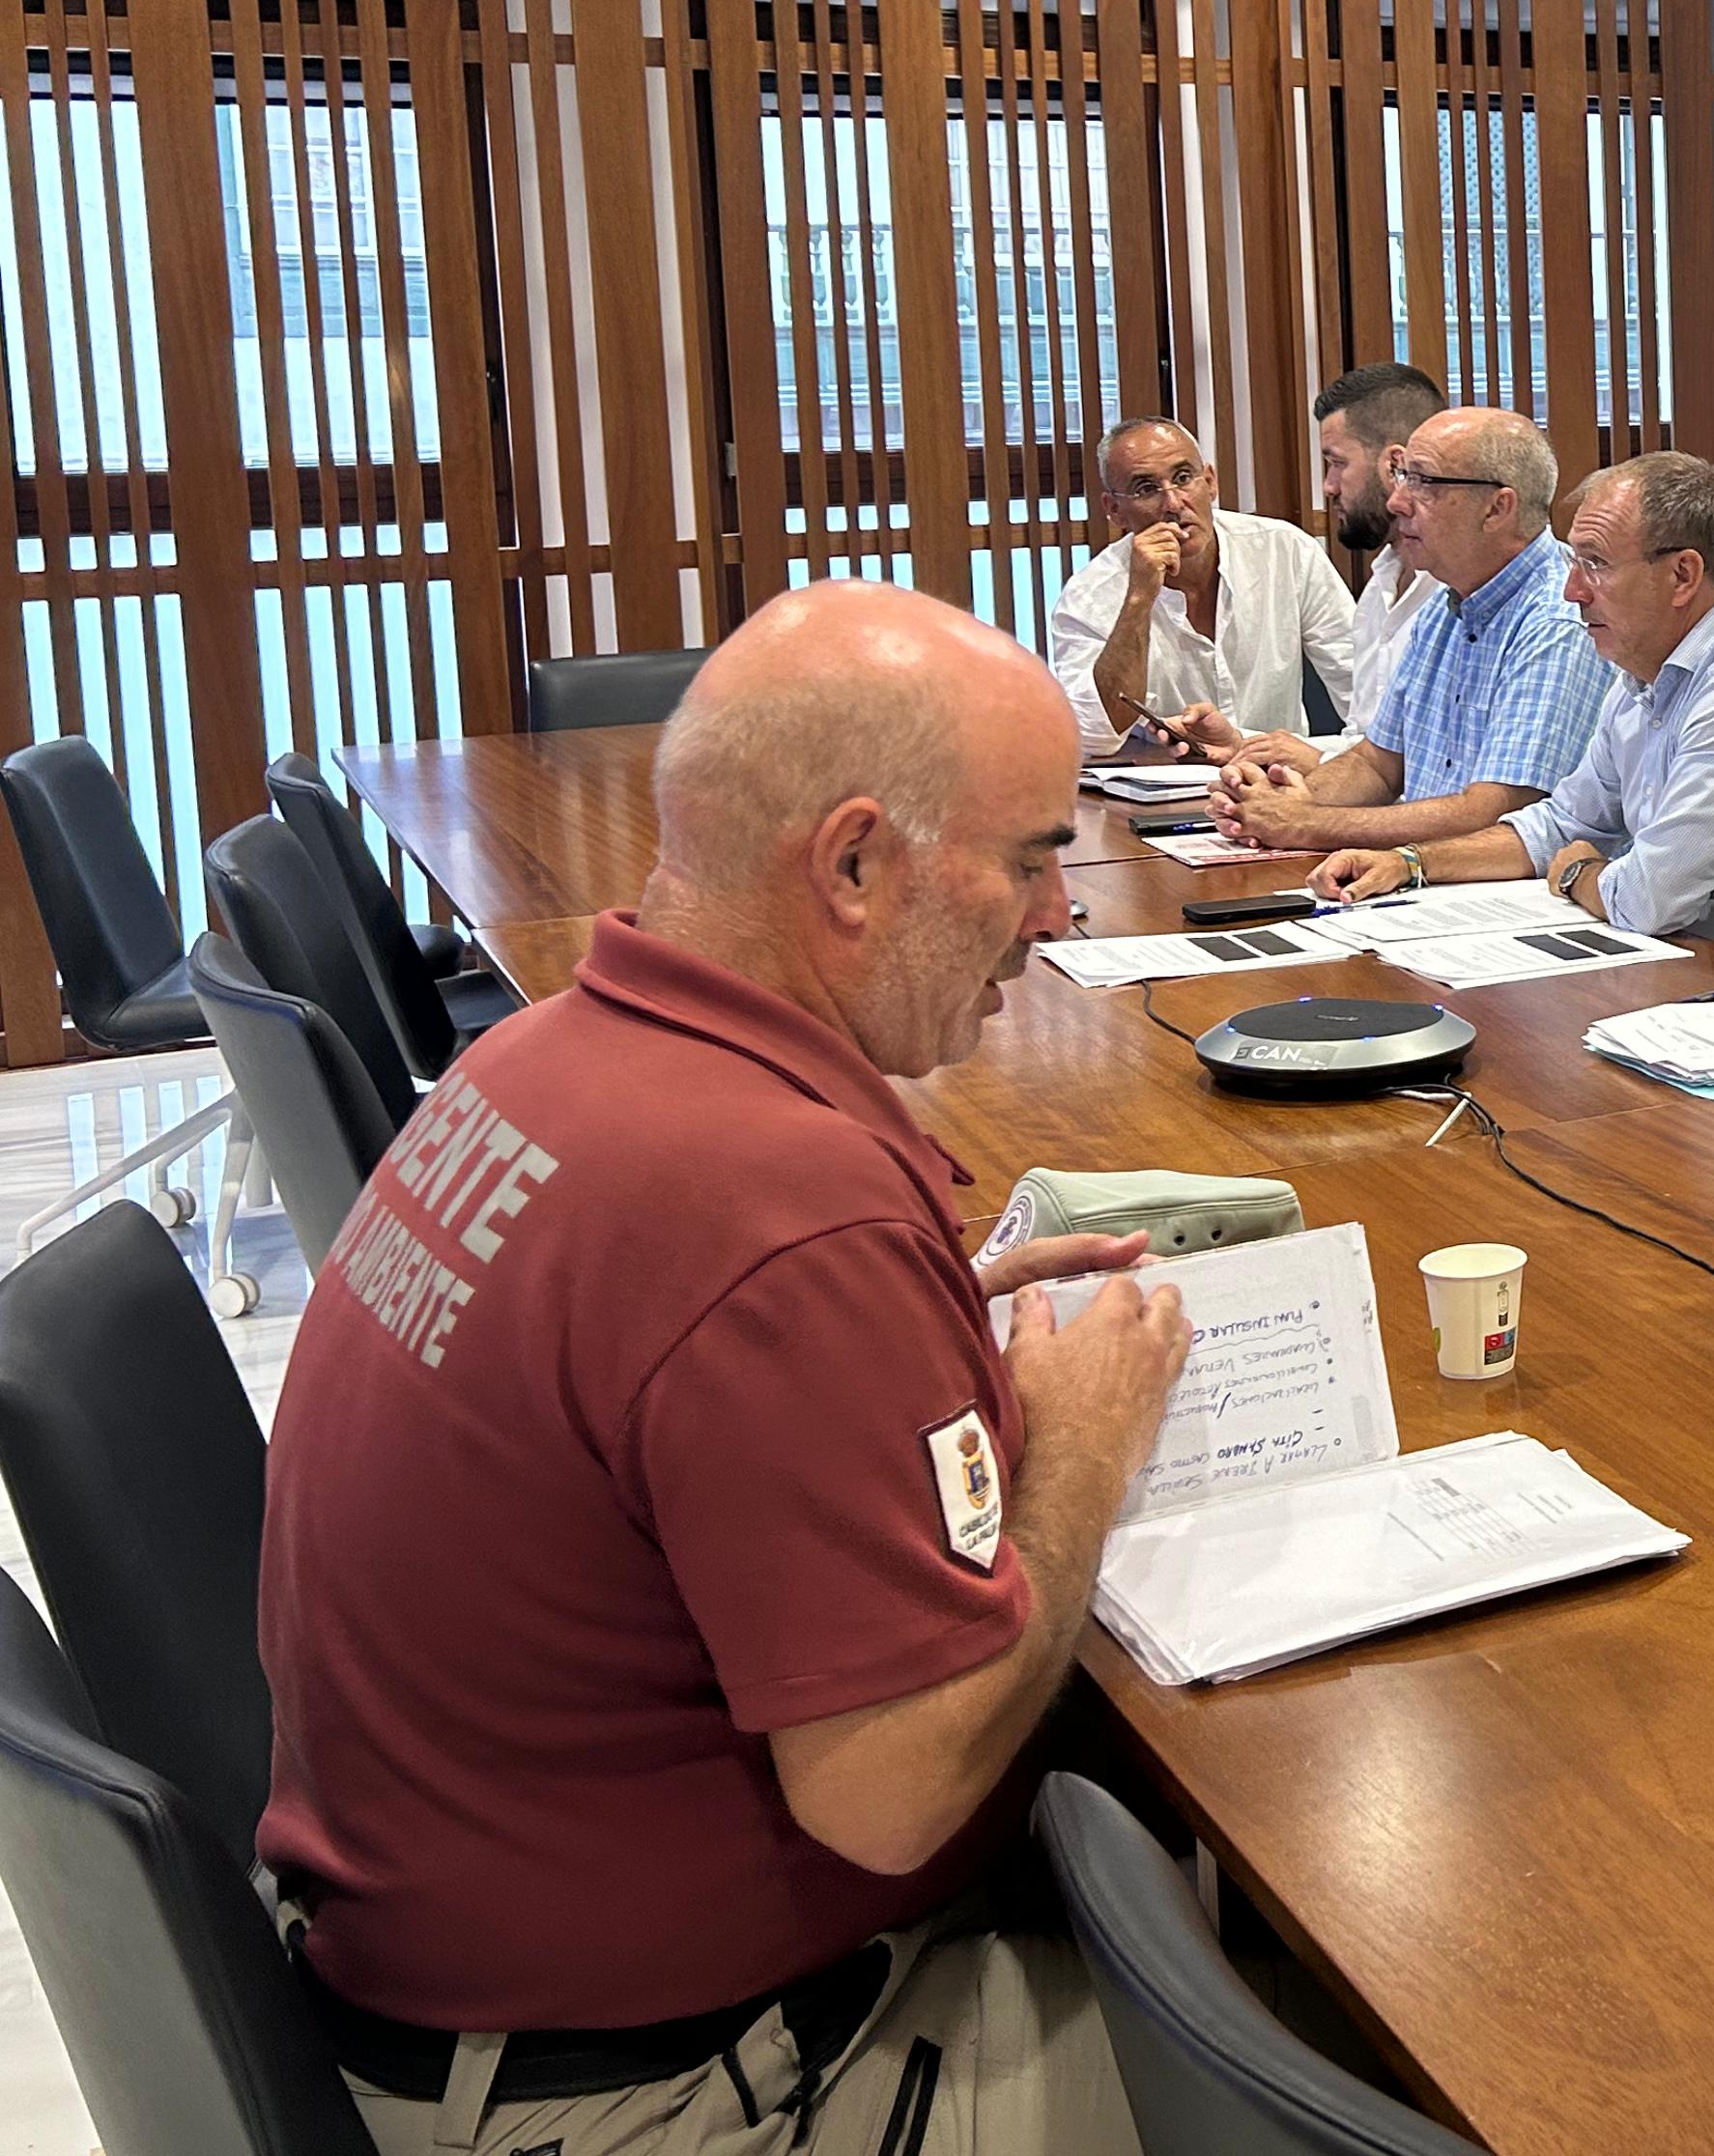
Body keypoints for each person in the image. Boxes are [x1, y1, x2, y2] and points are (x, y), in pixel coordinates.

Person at [258, 583, 1191, 2151]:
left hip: (426, 1957)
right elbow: (891, 1792)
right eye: (1032, 853)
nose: (1060, 910)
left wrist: (890, 1339)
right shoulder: (775, 1208)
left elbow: (648, 1378)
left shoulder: (542, 1053)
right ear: (849, 862)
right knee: (1335, 2052)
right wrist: (1084, 1452)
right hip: (638, 2087)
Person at [1313, 452, 1714, 973]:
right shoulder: (1641, 676)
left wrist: (1575, 873)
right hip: (1695, 982)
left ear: (1682, 576)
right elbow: (1560, 825)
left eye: (1594, 563)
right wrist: (1408, 864)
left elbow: (1646, 899)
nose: (1572, 590)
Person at [1213, 404, 1612, 856]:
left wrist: (1307, 822)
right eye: (1403, 477)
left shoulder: (1556, 622)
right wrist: (1277, 798)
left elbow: (1493, 813)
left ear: (1497, 508)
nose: (1396, 501)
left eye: (1424, 482)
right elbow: (1378, 764)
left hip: (1498, 886)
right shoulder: (1445, 605)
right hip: (1421, 871)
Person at [1044, 413, 1357, 764]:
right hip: (1161, 799)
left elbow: (1364, 690)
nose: (1173, 504)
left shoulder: (1285, 551)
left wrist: (1325, 759)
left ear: (1210, 482)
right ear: (1114, 510)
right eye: (1146, 488)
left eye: (1183, 478)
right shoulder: (1089, 597)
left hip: (1284, 782)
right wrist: (1139, 598)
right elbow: (1093, 736)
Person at [1312, 359, 1447, 744]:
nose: (1329, 486)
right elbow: (1363, 742)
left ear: (1395, 465)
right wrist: (1248, 747)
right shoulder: (1378, 589)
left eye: (1337, 463)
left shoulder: (1460, 589)